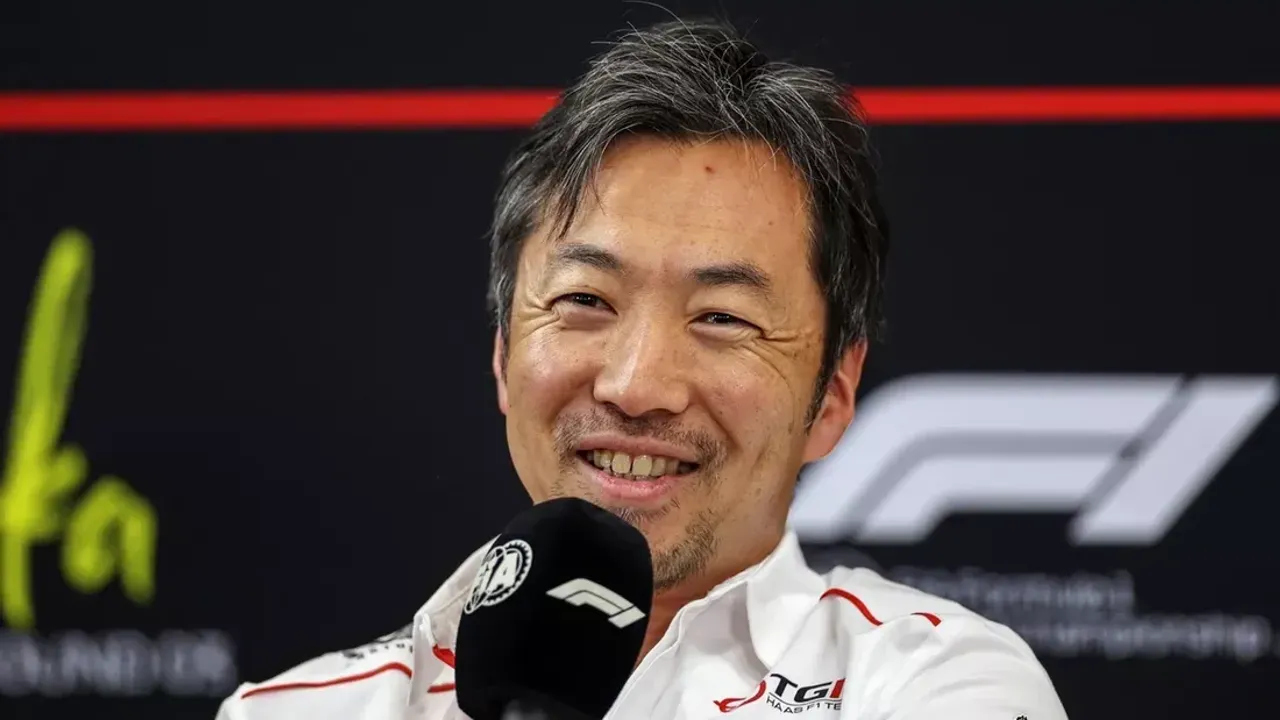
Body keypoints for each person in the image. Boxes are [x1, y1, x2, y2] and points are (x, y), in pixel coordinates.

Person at [217, 18, 1069, 720]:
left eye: (722, 318)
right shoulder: (291, 712)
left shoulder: (936, 685)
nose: (634, 386)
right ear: (504, 352)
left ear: (833, 395)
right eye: (586, 300)